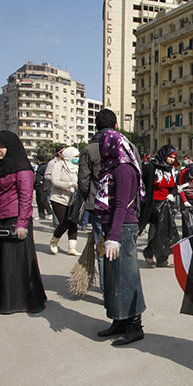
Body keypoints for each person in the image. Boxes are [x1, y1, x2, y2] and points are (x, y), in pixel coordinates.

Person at [94, 129, 147, 346]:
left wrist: (114, 236)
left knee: (126, 277)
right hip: (113, 227)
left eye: (103, 146)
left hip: (123, 228)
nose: (101, 150)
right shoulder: (112, 168)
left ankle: (134, 325)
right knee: (113, 277)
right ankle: (119, 319)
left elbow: (121, 204)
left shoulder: (124, 169)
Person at [0, 130, 47, 314]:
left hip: (17, 218)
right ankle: (9, 301)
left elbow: (25, 197)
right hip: (2, 218)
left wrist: (22, 223)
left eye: (1, 147)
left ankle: (27, 301)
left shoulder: (22, 168)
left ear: (11, 146)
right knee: (6, 262)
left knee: (21, 262)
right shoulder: (0, 166)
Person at [79, 109, 118, 291]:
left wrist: (90, 199)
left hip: (97, 207)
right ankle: (118, 286)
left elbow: (83, 182)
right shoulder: (127, 148)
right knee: (120, 246)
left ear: (96, 127)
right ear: (116, 126)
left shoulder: (89, 150)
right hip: (121, 208)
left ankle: (105, 288)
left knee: (101, 248)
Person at [139, 144, 179, 267]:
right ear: (164, 155)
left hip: (165, 204)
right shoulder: (151, 168)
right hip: (152, 205)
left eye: (174, 157)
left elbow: (173, 186)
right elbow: (140, 180)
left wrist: (172, 195)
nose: (172, 160)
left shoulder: (171, 170)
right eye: (170, 157)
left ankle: (161, 259)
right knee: (157, 232)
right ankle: (150, 253)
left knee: (166, 233)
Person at [48, 146, 81, 255]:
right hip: (59, 198)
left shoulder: (76, 168)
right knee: (64, 222)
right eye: (75, 156)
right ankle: (54, 241)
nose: (77, 158)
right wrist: (69, 184)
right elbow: (55, 181)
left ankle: (72, 247)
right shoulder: (59, 166)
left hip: (72, 200)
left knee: (73, 222)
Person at [33, 155, 52, 220]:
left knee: (43, 200)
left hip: (43, 186)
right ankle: (41, 215)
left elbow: (46, 177)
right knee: (39, 201)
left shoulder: (44, 167)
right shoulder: (39, 167)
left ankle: (50, 212)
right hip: (38, 186)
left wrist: (46, 186)